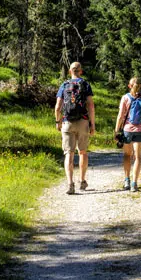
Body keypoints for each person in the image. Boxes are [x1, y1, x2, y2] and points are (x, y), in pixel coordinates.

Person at [55, 61, 96, 195]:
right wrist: (92, 124)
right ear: (81, 71)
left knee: (69, 153)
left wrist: (58, 121)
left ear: (69, 71)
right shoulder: (85, 84)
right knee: (82, 152)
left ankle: (70, 184)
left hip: (67, 122)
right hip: (83, 121)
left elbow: (58, 107)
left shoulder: (64, 85)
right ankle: (82, 181)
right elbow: (90, 105)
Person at [114, 76, 141, 192]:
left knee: (127, 155)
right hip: (140, 130)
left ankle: (127, 180)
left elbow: (120, 116)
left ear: (129, 86)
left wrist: (116, 130)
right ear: (140, 86)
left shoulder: (125, 97)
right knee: (138, 156)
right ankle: (134, 183)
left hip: (127, 130)